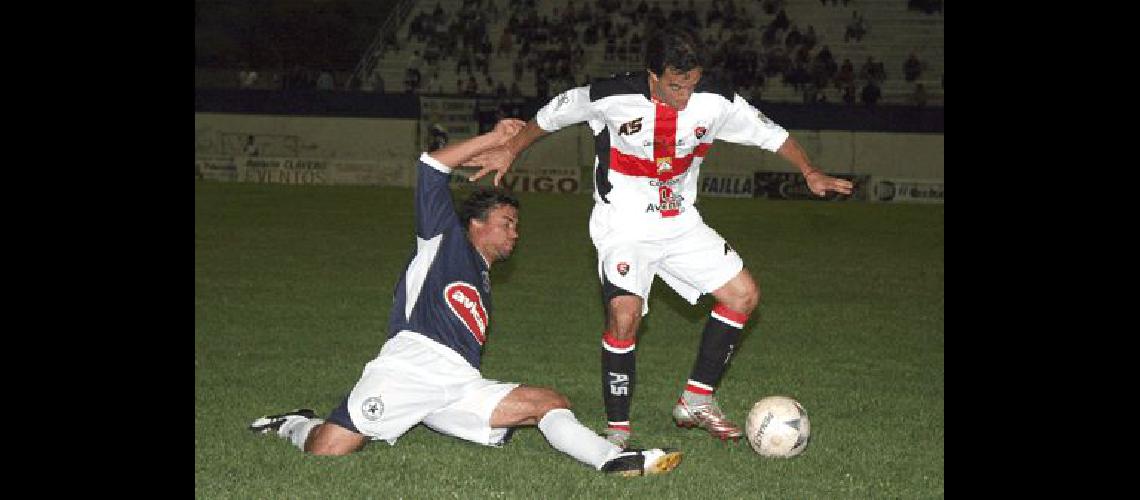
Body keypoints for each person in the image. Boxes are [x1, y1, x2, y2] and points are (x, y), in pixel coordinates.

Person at [466, 27, 853, 448]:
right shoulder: (610, 95)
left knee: (743, 295)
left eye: (691, 83)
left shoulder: (717, 99)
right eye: (675, 85)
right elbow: (550, 115)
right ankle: (617, 430)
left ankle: (696, 399)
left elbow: (772, 134)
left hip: (681, 222)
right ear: (652, 75)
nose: (685, 94)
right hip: (624, 226)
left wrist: (809, 170)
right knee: (624, 316)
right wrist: (511, 149)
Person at [249, 119, 683, 477]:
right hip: (410, 367)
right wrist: (496, 140)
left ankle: (613, 459)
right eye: (506, 222)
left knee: (549, 402)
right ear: (475, 224)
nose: (515, 232)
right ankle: (293, 422)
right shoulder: (443, 238)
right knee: (328, 449)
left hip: (458, 382)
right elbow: (430, 167)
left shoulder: (483, 276)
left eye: (516, 225)